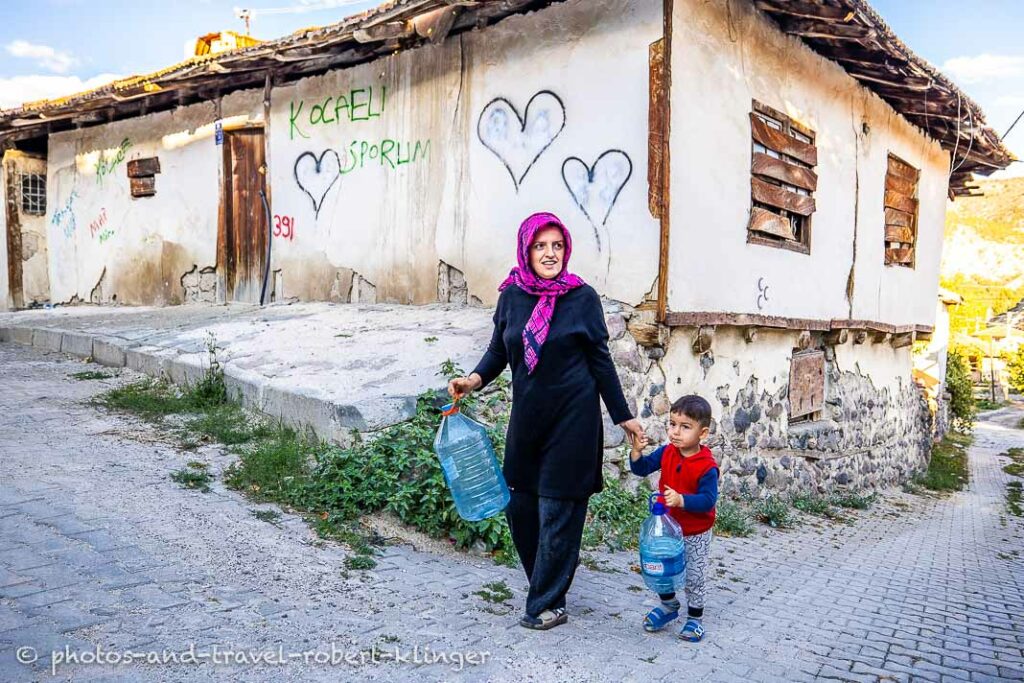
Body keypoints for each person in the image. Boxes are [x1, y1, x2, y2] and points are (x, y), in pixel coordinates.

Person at [448, 211, 644, 631]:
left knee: (559, 510)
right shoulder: (512, 297)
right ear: (526, 249)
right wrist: (473, 380)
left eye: (557, 245)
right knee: (519, 508)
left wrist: (622, 416)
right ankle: (548, 583)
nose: (550, 253)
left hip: (573, 421)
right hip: (528, 422)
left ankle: (544, 604)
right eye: (541, 246)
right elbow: (499, 351)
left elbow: (601, 362)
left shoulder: (582, 298)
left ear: (566, 250)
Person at [629, 394, 719, 642]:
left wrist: (682, 500)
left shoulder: (706, 466)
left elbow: (708, 500)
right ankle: (669, 607)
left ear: (702, 433)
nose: (676, 432)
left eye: (685, 427)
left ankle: (695, 619)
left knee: (693, 577)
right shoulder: (667, 451)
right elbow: (641, 468)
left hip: (695, 532)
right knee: (662, 571)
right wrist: (636, 452)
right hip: (667, 529)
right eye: (672, 424)